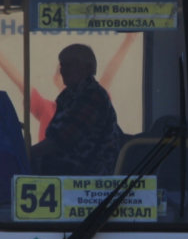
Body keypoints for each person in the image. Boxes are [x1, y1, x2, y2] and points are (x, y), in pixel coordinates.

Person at [0, 32, 138, 141]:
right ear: (56, 79)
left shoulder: (95, 101)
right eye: (65, 70)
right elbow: (22, 83)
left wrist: (129, 40)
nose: (73, 77)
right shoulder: (46, 108)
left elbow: (108, 75)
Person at [29, 44, 124, 176]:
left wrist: (27, 153)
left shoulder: (92, 94)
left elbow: (65, 138)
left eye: (69, 65)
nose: (64, 70)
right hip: (69, 170)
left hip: (86, 175)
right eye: (62, 65)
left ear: (88, 68)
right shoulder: (74, 94)